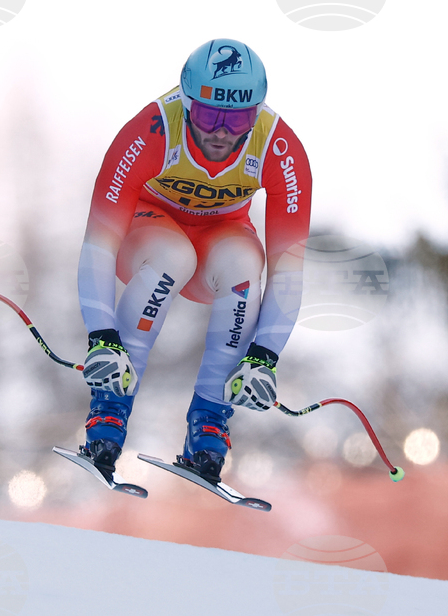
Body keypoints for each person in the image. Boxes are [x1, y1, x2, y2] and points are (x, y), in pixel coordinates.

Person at [76, 38, 312, 484]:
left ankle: (209, 426)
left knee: (246, 263)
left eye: (239, 118)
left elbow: (290, 270)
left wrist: (264, 357)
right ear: (186, 105)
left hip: (219, 243)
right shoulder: (151, 131)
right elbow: (98, 248)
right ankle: (108, 413)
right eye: (208, 115)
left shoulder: (279, 147)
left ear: (257, 114)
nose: (222, 131)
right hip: (149, 233)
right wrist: (101, 336)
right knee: (171, 256)